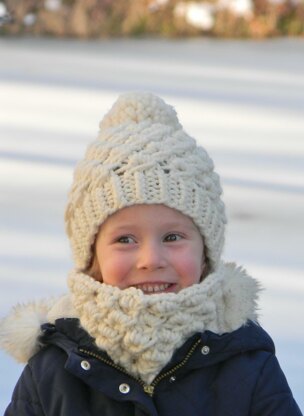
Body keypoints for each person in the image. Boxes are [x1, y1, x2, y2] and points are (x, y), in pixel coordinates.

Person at [0, 92, 302, 416]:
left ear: (206, 254)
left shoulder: (247, 365)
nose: (151, 259)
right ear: (92, 258)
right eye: (126, 239)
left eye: (173, 237)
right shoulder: (55, 370)